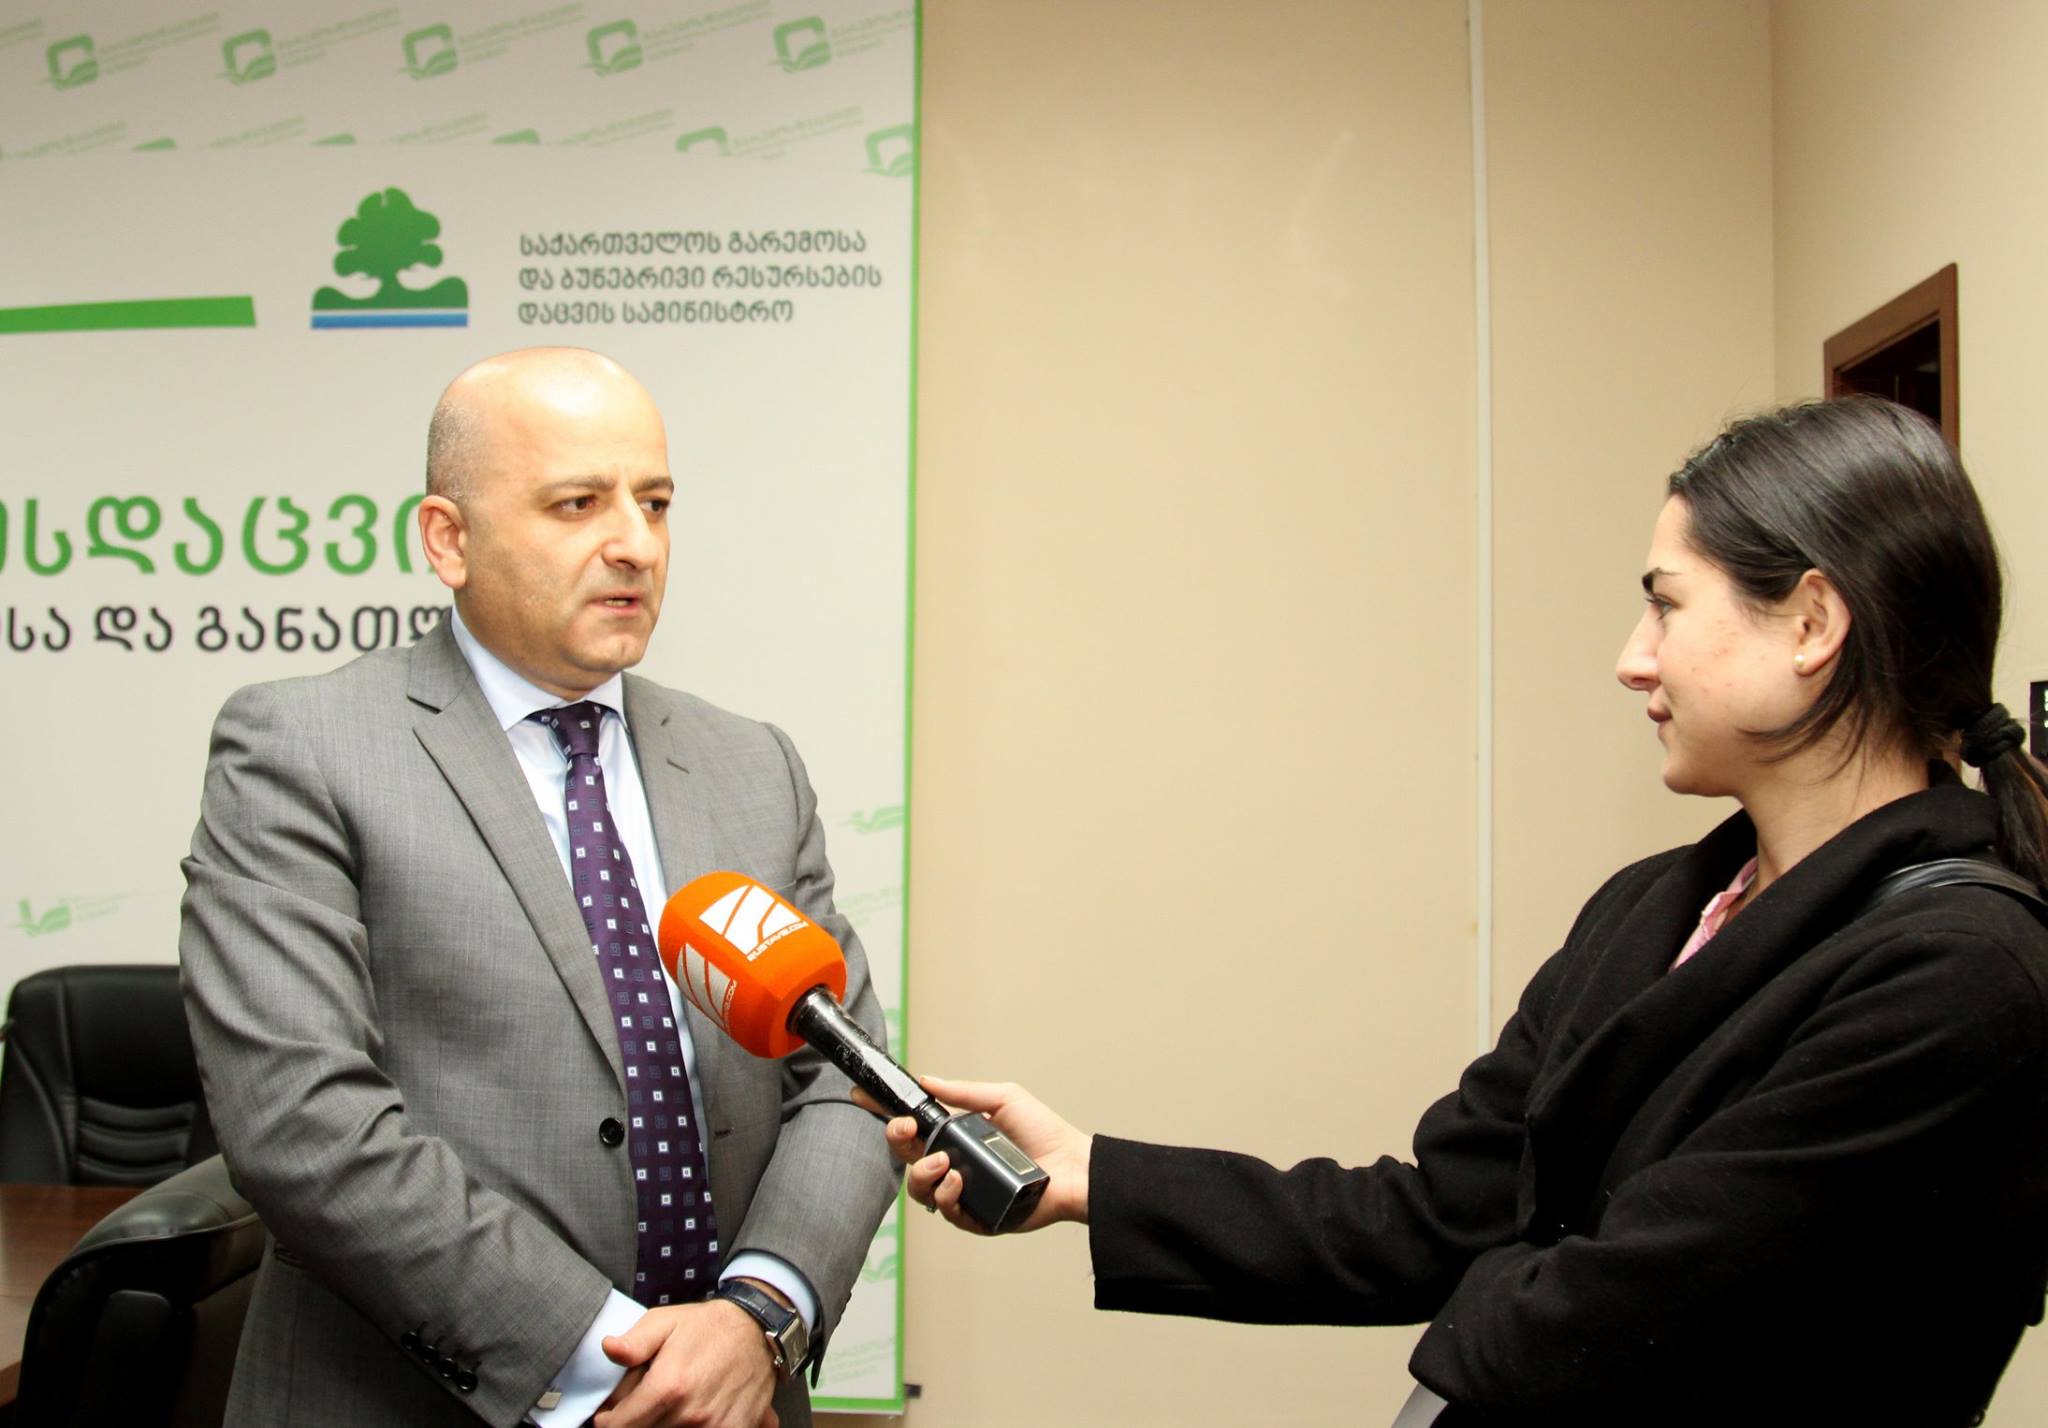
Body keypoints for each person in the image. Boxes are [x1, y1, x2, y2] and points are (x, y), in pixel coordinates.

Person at [871, 397, 2048, 1425]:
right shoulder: (1654, 906)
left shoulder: (1959, 977)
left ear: (1810, 624)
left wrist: (1508, 1273)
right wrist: (1091, 1175)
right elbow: (1440, 1216)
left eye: (1664, 607)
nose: (1631, 660)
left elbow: (1611, 1328)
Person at [180, 346, 898, 1428]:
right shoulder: (303, 748)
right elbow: (301, 1123)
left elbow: (848, 1078)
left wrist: (757, 1317)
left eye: (655, 503)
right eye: (578, 503)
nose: (636, 543)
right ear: (448, 539)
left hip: (739, 1397)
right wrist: (615, 1360)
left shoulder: (751, 765)